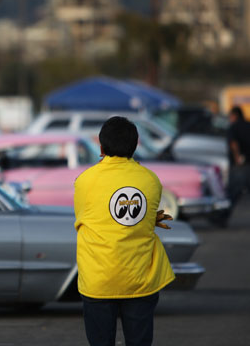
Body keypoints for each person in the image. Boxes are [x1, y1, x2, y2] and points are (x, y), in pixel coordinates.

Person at [74, 116, 174, 346]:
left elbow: (84, 219)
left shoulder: (85, 181)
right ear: (136, 144)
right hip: (140, 278)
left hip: (98, 279)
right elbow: (142, 218)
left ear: (101, 146)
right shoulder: (150, 180)